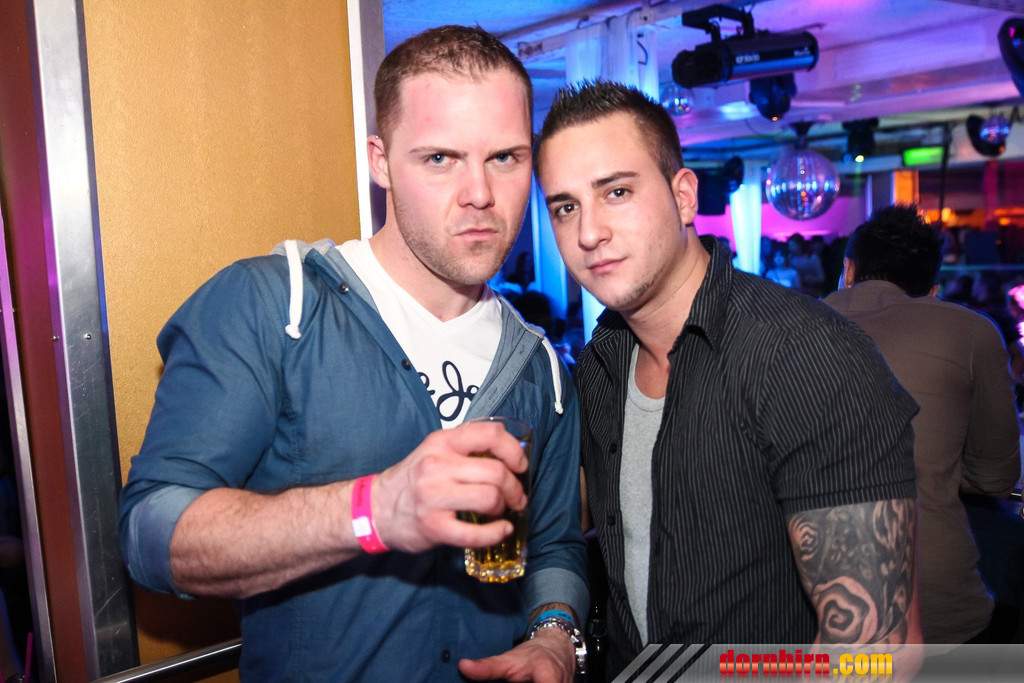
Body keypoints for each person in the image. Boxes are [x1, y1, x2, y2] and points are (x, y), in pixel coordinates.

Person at [119, 25, 587, 682]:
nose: (480, 193)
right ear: (380, 161)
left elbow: (556, 543)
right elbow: (150, 533)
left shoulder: (538, 365)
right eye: (440, 158)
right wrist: (373, 509)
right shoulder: (277, 306)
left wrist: (555, 634)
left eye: (505, 157)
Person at [533, 81, 922, 678]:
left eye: (617, 192)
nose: (589, 232)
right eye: (566, 207)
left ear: (684, 196)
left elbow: (878, 650)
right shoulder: (603, 361)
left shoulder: (805, 357)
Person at [825, 204, 1021, 643]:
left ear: (848, 270)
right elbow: (997, 479)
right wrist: (933, 461)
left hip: (807, 606)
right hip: (934, 606)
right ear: (933, 290)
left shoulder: (785, 327)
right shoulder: (972, 331)